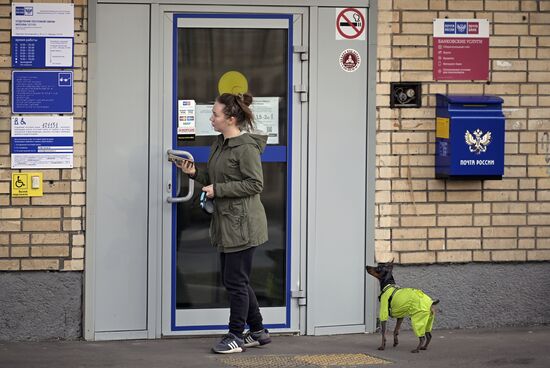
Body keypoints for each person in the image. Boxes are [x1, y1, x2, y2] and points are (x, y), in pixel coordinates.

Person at [176, 92, 271, 354]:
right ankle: (258, 331)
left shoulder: (246, 148)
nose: (211, 118)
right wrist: (195, 173)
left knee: (236, 282)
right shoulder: (220, 144)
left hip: (243, 224)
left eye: (215, 114)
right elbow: (215, 176)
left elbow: (255, 184)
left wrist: (219, 189)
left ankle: (235, 335)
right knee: (236, 280)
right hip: (227, 222)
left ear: (230, 118)